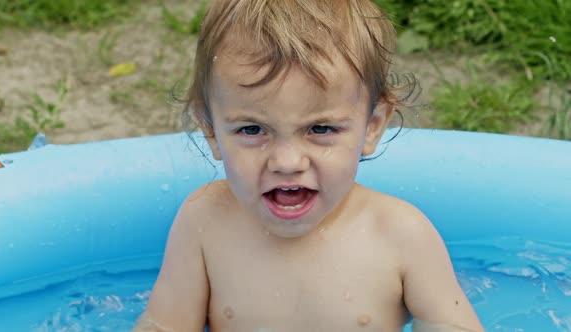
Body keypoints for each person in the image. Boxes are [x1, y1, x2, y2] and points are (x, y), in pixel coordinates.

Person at [133, 0, 484, 331]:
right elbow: (165, 324)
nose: (287, 162)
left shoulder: (401, 235)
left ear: (372, 126)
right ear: (210, 128)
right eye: (252, 129)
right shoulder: (204, 221)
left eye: (320, 129)